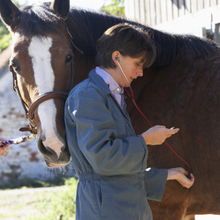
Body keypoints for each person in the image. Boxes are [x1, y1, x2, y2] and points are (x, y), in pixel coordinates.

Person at [64, 23, 195, 220]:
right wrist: (145, 140)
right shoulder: (88, 95)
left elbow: (121, 173)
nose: (140, 73)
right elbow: (103, 160)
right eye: (137, 64)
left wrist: (169, 174)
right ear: (116, 57)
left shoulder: (112, 95)